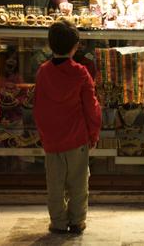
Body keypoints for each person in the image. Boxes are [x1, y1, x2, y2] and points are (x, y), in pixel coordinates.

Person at [33, 20, 101, 235]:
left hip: (52, 139)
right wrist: (94, 133)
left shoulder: (43, 72)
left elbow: (38, 106)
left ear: (50, 45)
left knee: (54, 183)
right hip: (76, 138)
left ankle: (58, 222)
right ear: (76, 46)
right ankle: (77, 221)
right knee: (79, 182)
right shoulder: (80, 72)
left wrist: (43, 134)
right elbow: (92, 107)